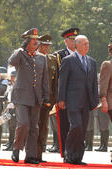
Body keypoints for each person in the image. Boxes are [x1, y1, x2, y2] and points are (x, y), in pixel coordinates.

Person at [8, 28, 50, 164]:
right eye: (34, 40)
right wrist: (20, 50)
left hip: (36, 98)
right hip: (21, 97)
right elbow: (11, 61)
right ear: (27, 42)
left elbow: (45, 80)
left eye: (37, 40)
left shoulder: (41, 58)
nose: (37, 42)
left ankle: (30, 156)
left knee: (34, 128)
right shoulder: (20, 54)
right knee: (23, 123)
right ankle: (17, 148)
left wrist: (47, 97)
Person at [57, 35, 98, 165]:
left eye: (88, 43)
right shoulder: (68, 60)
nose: (87, 46)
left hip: (86, 102)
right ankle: (68, 154)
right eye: (84, 44)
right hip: (72, 101)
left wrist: (95, 100)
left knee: (83, 129)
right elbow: (62, 81)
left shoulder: (92, 62)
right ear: (77, 45)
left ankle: (78, 157)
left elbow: (94, 83)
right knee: (76, 126)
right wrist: (61, 99)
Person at [53, 27, 79, 157]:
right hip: (65, 96)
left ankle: (76, 152)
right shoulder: (59, 55)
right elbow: (57, 78)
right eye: (72, 39)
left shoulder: (82, 55)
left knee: (78, 126)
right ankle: (66, 153)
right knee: (64, 125)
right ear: (66, 41)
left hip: (78, 97)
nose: (74, 42)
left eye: (76, 39)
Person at [36, 34, 59, 162]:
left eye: (48, 46)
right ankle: (32, 153)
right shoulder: (33, 58)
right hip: (35, 98)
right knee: (34, 126)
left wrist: (54, 99)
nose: (46, 48)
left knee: (44, 127)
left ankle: (39, 154)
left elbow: (55, 81)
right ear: (39, 45)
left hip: (48, 99)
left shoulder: (53, 60)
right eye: (44, 45)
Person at [0, 70, 17, 151]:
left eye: (13, 76)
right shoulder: (10, 86)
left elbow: (20, 98)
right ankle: (10, 143)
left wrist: (14, 104)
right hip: (9, 107)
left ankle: (13, 145)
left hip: (15, 108)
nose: (12, 78)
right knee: (10, 127)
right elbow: (6, 97)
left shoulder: (18, 86)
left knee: (13, 127)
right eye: (11, 76)